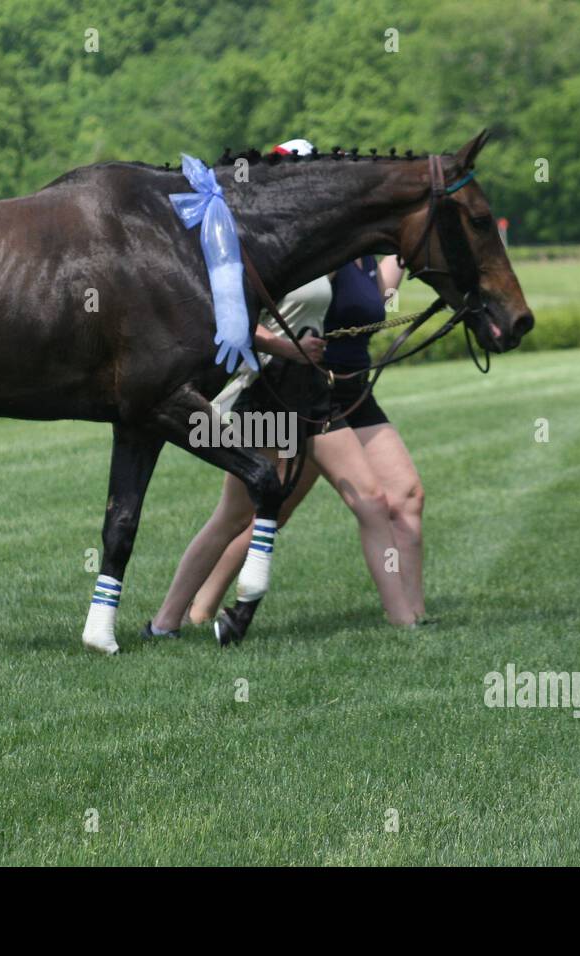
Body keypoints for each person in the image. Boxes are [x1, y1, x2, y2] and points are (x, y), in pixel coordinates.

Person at [147, 140, 427, 642]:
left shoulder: (316, 245)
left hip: (309, 394)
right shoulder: (264, 247)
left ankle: (405, 622)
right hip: (268, 390)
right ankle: (169, 621)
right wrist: (287, 348)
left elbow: (368, 296)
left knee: (364, 500)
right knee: (239, 514)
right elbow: (224, 318)